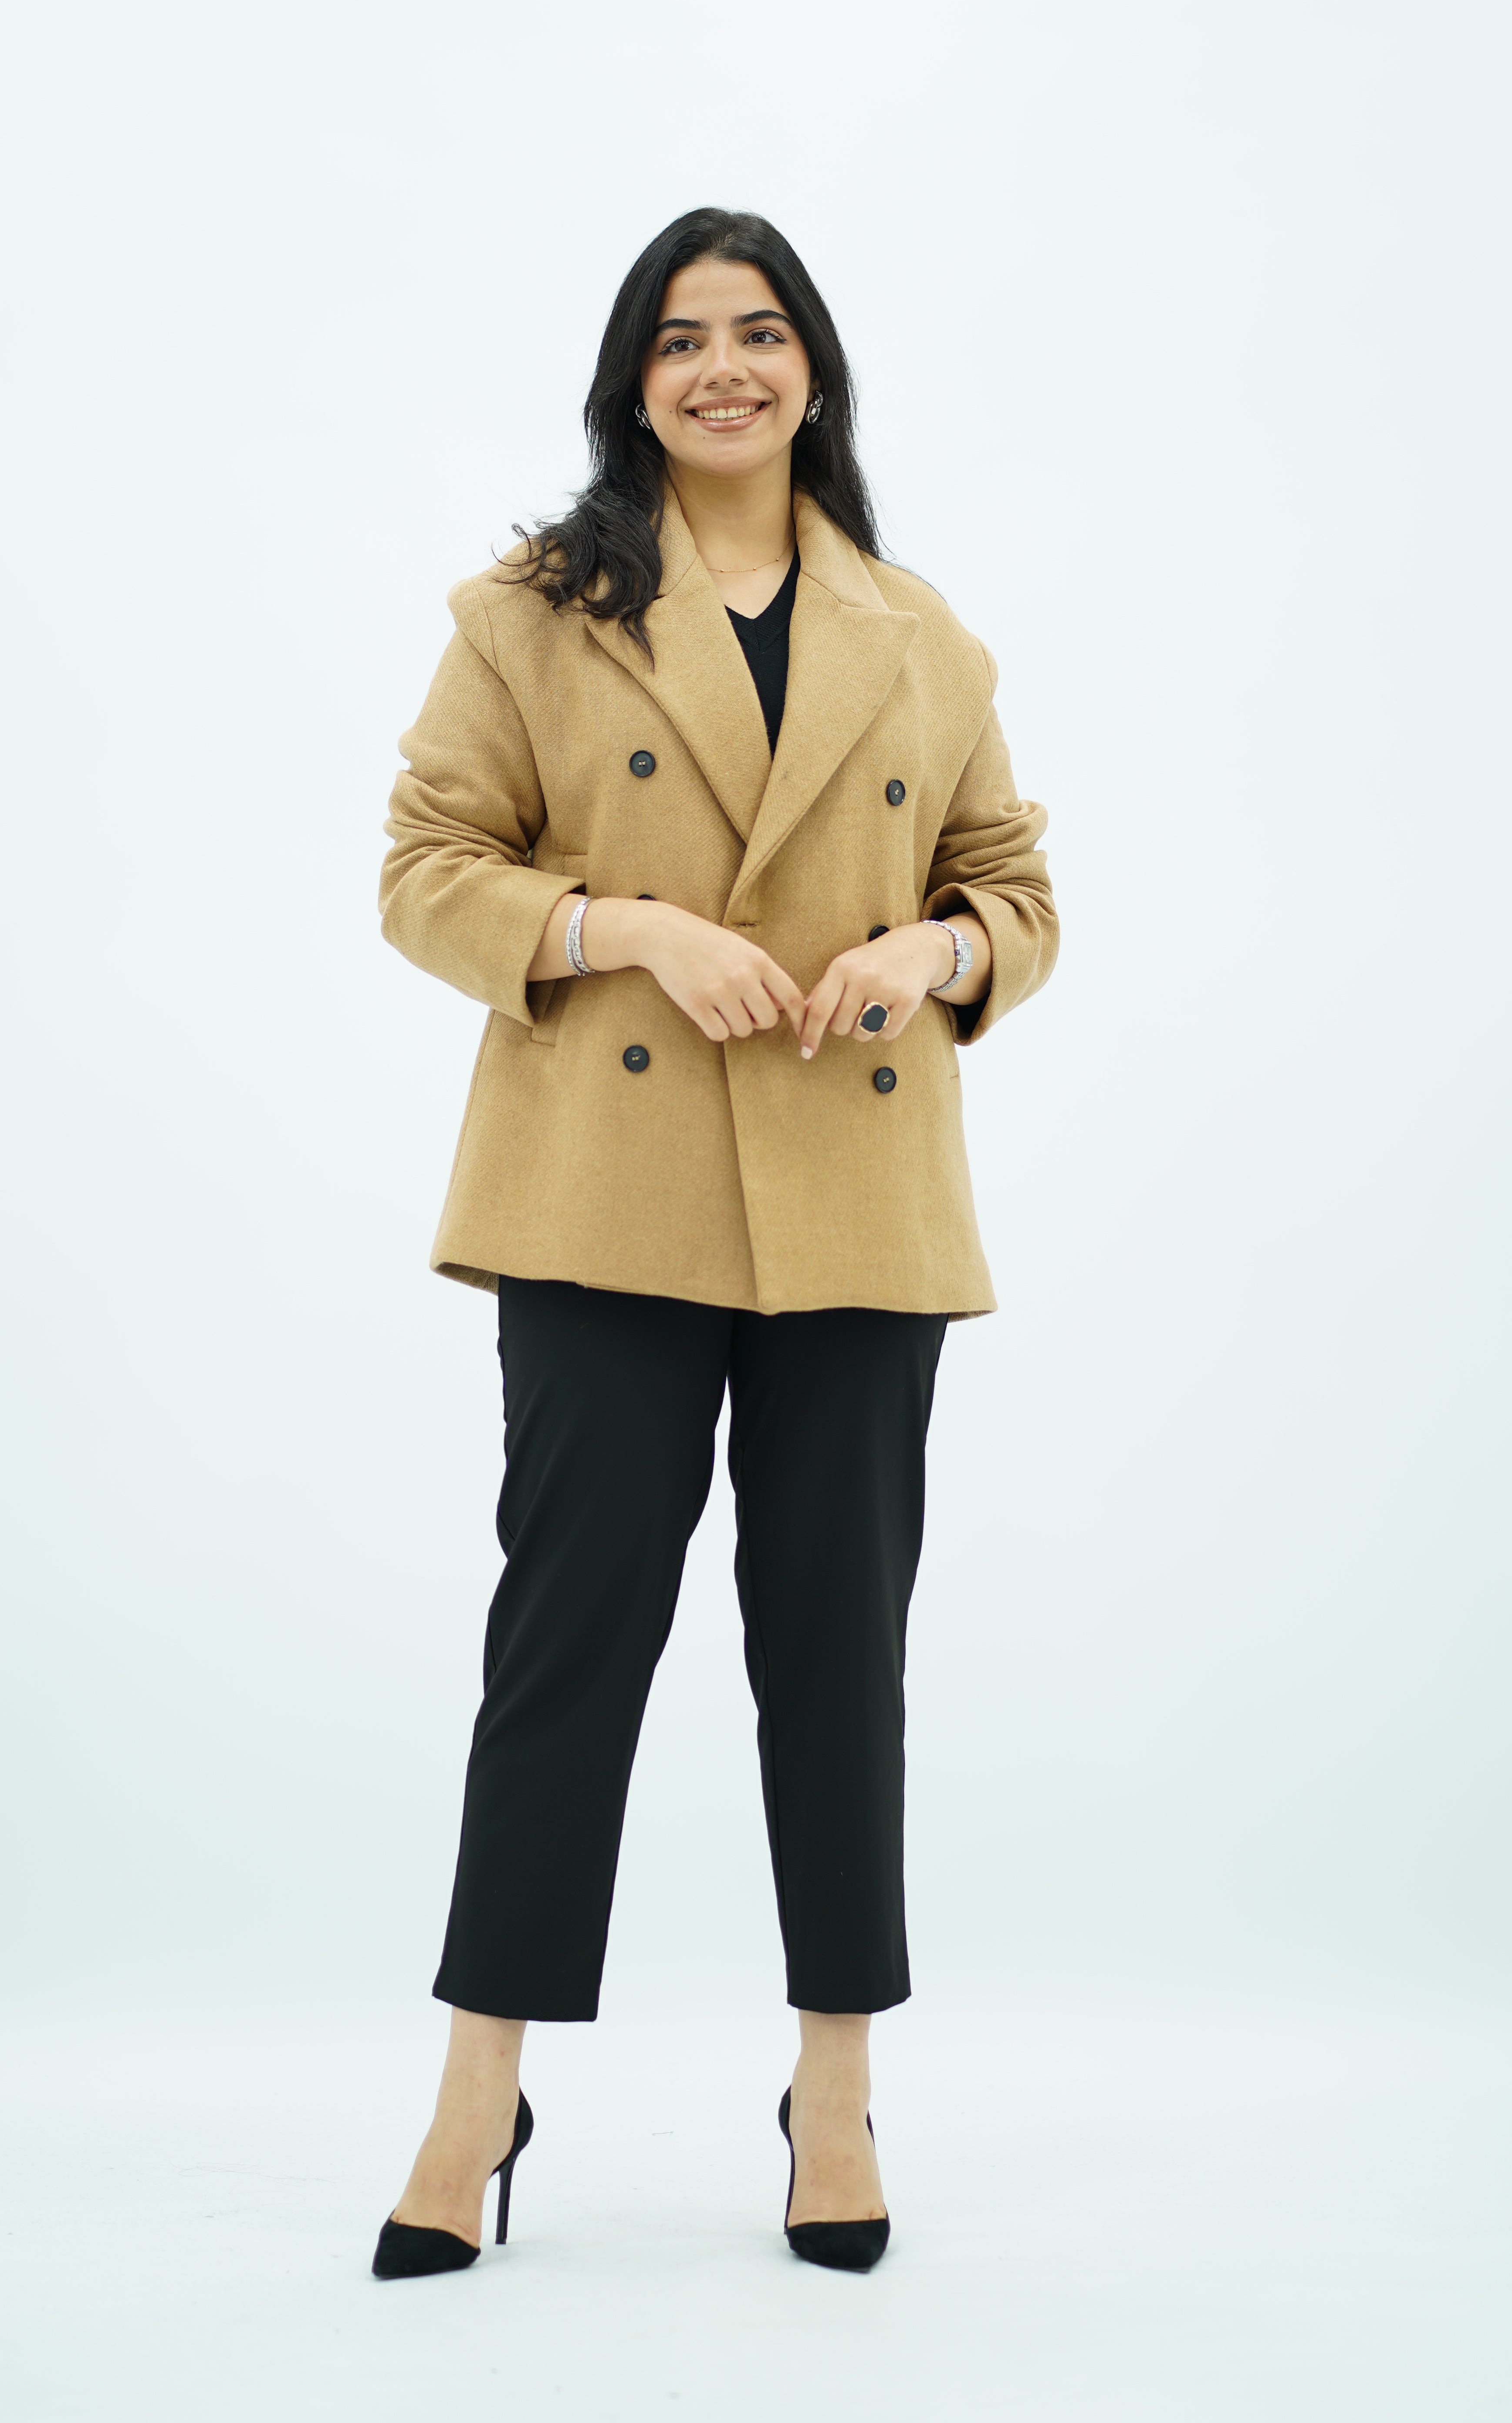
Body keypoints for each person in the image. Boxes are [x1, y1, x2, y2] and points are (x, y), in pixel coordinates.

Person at [371, 206, 1057, 2278]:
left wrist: (937, 953)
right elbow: (425, 869)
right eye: (681, 340)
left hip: (857, 1201)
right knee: (565, 1649)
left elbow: (1014, 887)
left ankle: (833, 2091)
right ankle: (476, 2093)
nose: (724, 368)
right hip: (606, 1191)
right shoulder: (531, 614)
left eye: (759, 333)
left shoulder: (920, 636)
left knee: (837, 1659)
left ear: (812, 371)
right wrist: (625, 928)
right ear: (635, 383)